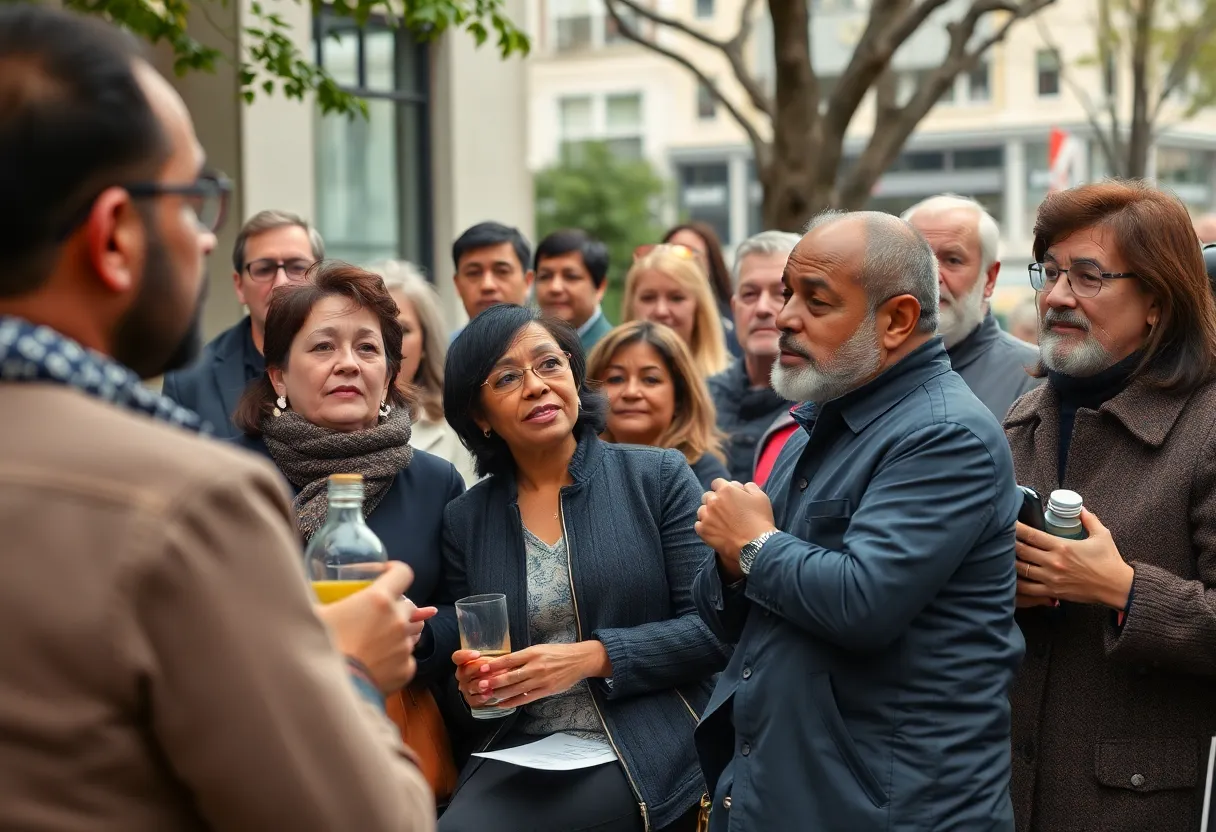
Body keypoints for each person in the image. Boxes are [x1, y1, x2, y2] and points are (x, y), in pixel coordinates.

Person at [0, 6, 434, 830]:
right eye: (194, 201)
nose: (206, 242)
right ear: (115, 237)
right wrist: (344, 667)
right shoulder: (193, 503)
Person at [693, 210, 1023, 831]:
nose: (784, 316)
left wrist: (753, 543)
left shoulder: (946, 434)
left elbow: (863, 602)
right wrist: (733, 562)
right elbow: (729, 616)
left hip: (891, 808)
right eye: (788, 293)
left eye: (815, 301)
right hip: (789, 790)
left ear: (896, 319)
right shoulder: (818, 417)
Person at [436, 305, 731, 832]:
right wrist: (474, 692)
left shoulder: (657, 477)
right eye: (507, 378)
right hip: (521, 746)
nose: (536, 386)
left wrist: (592, 658)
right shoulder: (466, 519)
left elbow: (714, 632)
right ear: (480, 416)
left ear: (574, 376)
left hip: (646, 740)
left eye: (549, 364)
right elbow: (469, 674)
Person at [1006, 181, 1216, 832]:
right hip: (1004, 795)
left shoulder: (1207, 427)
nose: (1057, 296)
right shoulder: (1023, 415)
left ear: (1157, 301)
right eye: (1050, 272)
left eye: (1089, 276)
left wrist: (1121, 588)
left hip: (1141, 803)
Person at [231, 260, 466, 685]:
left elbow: (464, 613)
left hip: (393, 709)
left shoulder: (436, 482)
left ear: (389, 376)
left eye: (367, 348)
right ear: (279, 378)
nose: (348, 364)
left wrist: (419, 633)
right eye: (323, 347)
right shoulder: (235, 477)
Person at [162, 209, 325, 437]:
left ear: (321, 279)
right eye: (264, 269)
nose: (281, 283)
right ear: (239, 287)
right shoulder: (188, 382)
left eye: (297, 267)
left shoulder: (356, 368)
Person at [902, 194, 1040, 420]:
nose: (932, 276)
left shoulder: (1035, 380)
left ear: (990, 278)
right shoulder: (866, 371)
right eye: (919, 260)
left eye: (952, 260)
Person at [587, 321, 729, 490]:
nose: (631, 392)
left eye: (650, 379)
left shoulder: (708, 477)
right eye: (616, 379)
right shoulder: (575, 468)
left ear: (680, 397)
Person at [372, 259, 476, 486]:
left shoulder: (460, 429)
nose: (388, 342)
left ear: (425, 346)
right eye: (375, 329)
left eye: (402, 330)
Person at [707, 231, 798, 482]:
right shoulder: (701, 401)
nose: (762, 308)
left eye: (781, 293)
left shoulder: (825, 406)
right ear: (734, 308)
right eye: (750, 294)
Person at [623, 245, 729, 379]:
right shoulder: (604, 380)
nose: (661, 311)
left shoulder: (730, 385)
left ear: (699, 307)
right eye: (648, 298)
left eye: (676, 298)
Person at [663, 221, 741, 356]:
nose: (678, 262)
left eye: (688, 253)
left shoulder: (734, 328)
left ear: (710, 264)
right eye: (671, 254)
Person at [534, 229, 613, 352]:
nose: (555, 287)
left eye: (571, 277)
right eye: (545, 276)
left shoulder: (614, 353)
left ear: (600, 287)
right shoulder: (525, 348)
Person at [451, 221, 533, 336]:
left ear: (527, 282)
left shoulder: (553, 345)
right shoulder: (441, 347)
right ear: (457, 285)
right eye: (473, 273)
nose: (487, 285)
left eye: (502, 271)